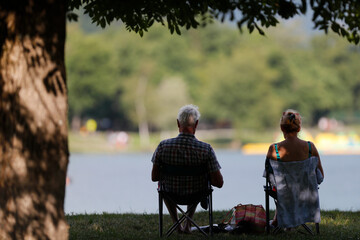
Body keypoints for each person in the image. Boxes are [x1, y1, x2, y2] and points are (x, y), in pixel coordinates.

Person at [151, 104, 224, 234]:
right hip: (196, 195)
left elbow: (155, 177)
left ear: (178, 123)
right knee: (198, 186)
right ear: (196, 124)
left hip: (171, 194)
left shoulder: (163, 146)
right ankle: (188, 224)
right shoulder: (206, 149)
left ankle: (177, 225)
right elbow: (219, 183)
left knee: (164, 186)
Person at [265, 109, 324, 228]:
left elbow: (268, 176)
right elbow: (320, 177)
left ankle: (278, 219)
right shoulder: (309, 147)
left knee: (277, 185)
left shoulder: (274, 149)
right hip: (307, 192)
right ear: (299, 128)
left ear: (282, 128)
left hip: (284, 193)